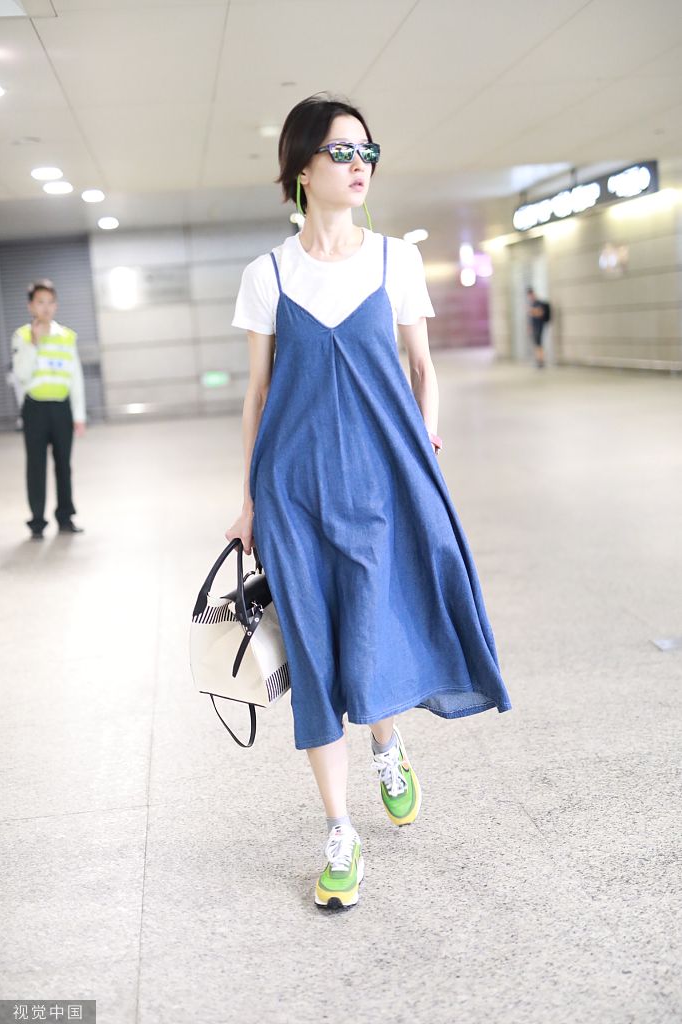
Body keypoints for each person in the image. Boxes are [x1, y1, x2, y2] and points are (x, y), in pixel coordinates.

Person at [226, 93, 511, 910]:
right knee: (314, 655)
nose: (360, 166)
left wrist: (424, 441)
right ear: (301, 168)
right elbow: (256, 394)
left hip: (380, 484)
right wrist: (247, 501)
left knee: (368, 631)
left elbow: (423, 369)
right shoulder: (267, 274)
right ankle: (339, 830)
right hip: (292, 492)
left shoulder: (393, 260)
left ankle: (386, 743)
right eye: (342, 152)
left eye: (367, 152)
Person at [11, 279, 86, 539]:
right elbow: (21, 374)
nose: (45, 307)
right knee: (36, 466)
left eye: (50, 302)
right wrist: (34, 343)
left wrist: (79, 415)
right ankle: (37, 522)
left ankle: (65, 517)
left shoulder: (67, 336)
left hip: (61, 408)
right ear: (30, 306)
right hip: (35, 409)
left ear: (56, 305)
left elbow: (75, 378)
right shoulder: (21, 336)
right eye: (40, 302)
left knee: (63, 465)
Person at [527, 286, 551, 368]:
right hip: (534, 326)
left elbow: (540, 313)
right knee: (536, 344)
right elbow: (531, 318)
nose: (530, 297)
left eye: (530, 295)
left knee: (539, 344)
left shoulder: (538, 303)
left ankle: (541, 361)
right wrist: (530, 326)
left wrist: (533, 311)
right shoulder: (532, 304)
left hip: (539, 326)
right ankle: (538, 360)